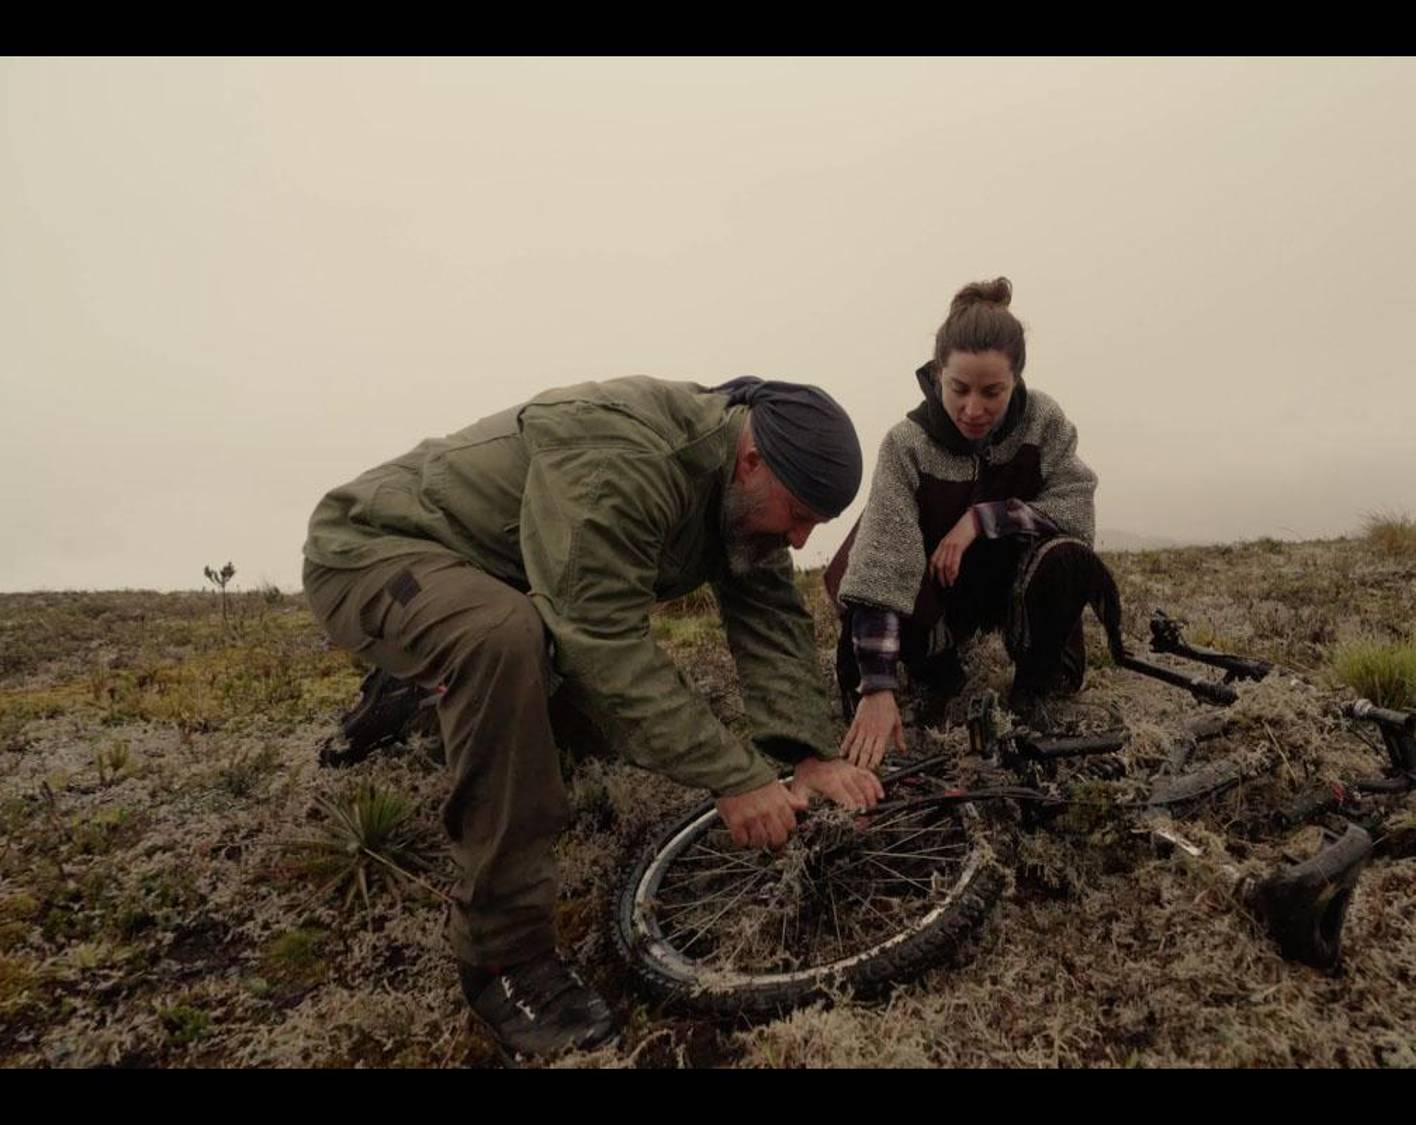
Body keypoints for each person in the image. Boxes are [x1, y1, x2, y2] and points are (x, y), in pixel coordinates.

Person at [301, 374, 883, 1059]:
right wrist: (735, 776)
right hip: (373, 549)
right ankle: (502, 957)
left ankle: (416, 699)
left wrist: (806, 753)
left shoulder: (742, 481)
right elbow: (599, 638)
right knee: (501, 640)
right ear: (753, 461)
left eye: (817, 522)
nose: (802, 535)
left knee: (586, 730)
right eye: (799, 513)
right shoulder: (628, 459)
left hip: (501, 576)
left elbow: (769, 616)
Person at [825, 278, 1115, 771]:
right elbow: (880, 564)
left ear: (1017, 379)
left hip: (1006, 575)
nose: (973, 409)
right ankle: (933, 667)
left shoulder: (1044, 421)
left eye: (992, 392)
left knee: (1065, 555)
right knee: (880, 561)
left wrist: (984, 518)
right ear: (938, 374)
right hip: (936, 592)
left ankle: (1035, 681)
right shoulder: (905, 444)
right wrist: (876, 684)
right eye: (959, 389)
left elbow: (1076, 514)